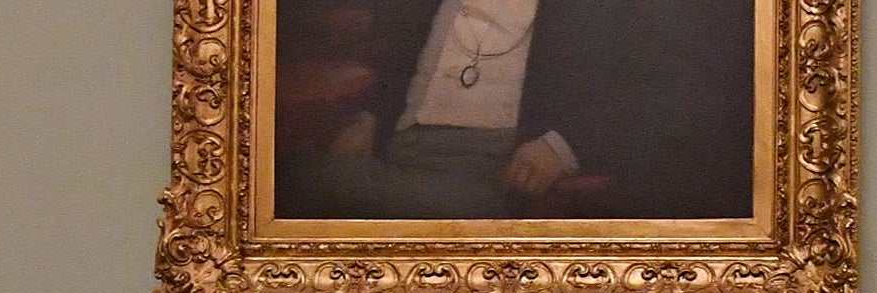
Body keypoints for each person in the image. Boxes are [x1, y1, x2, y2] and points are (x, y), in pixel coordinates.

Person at [277, 0, 753, 220]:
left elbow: (674, 95)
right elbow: (400, 60)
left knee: (304, 184)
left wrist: (565, 147)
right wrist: (369, 117)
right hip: (395, 155)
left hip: (495, 176)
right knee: (306, 180)